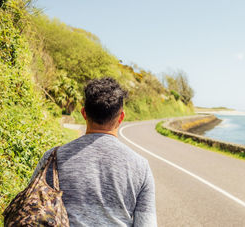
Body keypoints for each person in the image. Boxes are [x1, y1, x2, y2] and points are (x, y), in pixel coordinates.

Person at [30, 77, 157, 226]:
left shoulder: (52, 158)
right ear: (121, 117)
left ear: (84, 113)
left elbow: (30, 210)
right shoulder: (140, 167)